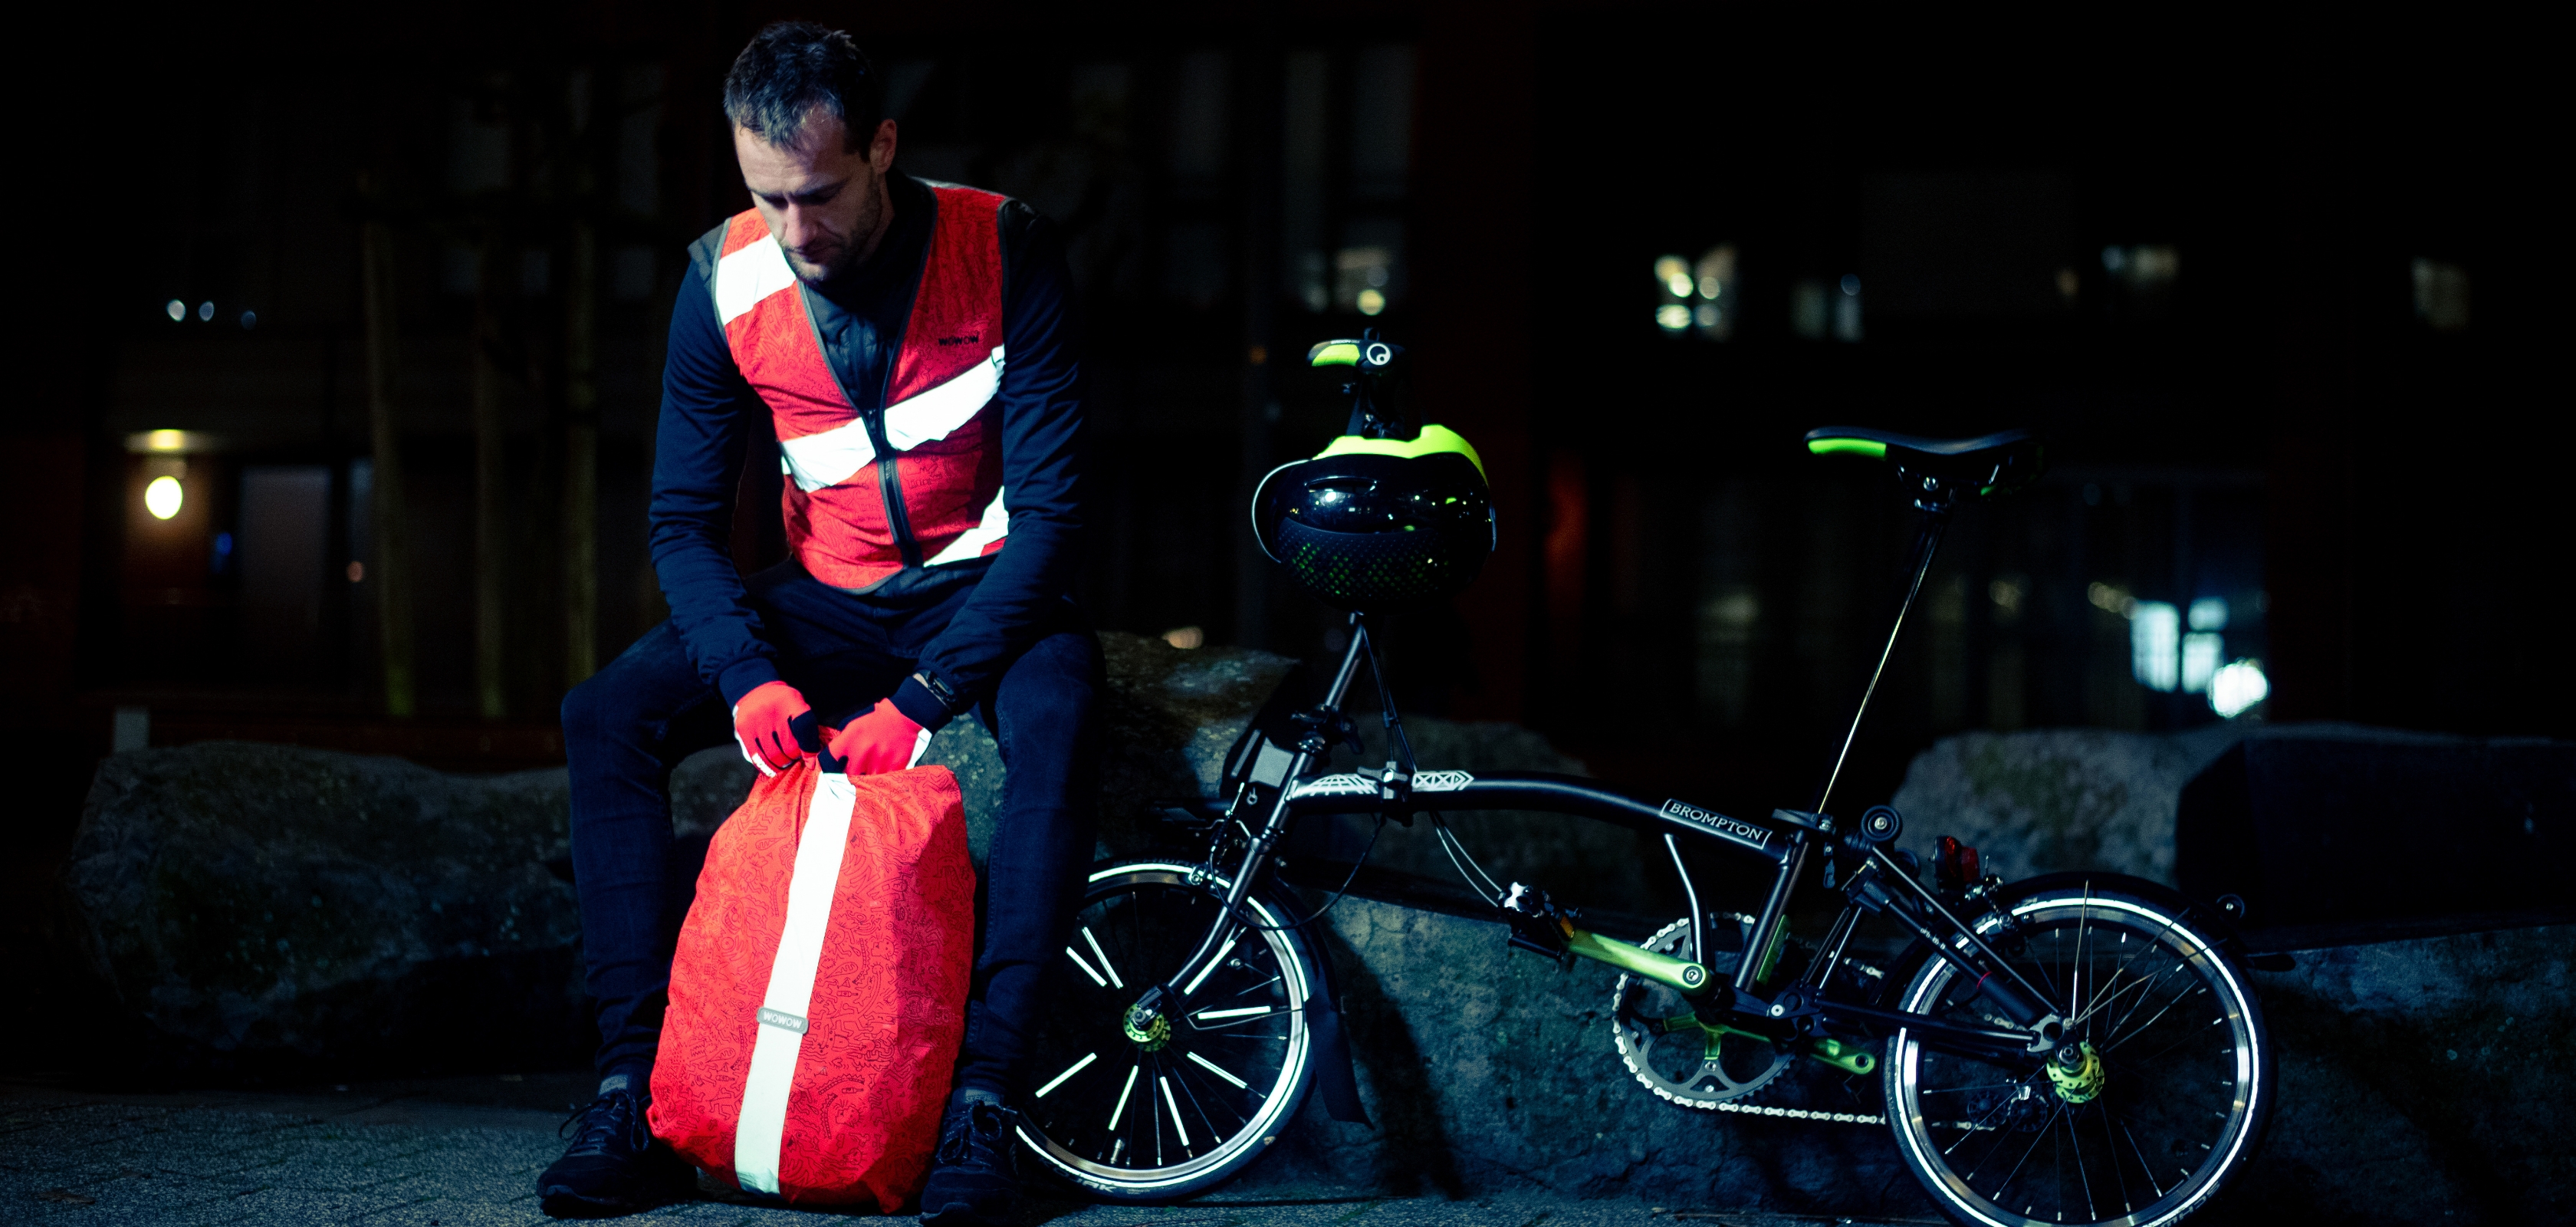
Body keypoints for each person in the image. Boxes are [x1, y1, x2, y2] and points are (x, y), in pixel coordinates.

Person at [537, 21, 1096, 1223]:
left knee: (1058, 711)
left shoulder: (1006, 248)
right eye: (768, 199)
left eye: (822, 195)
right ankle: (631, 1095)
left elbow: (1055, 520)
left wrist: (925, 701)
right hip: (826, 601)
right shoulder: (724, 281)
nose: (799, 233)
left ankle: (988, 1107)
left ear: (883, 147)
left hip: (990, 583)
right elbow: (682, 523)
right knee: (606, 715)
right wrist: (745, 675)